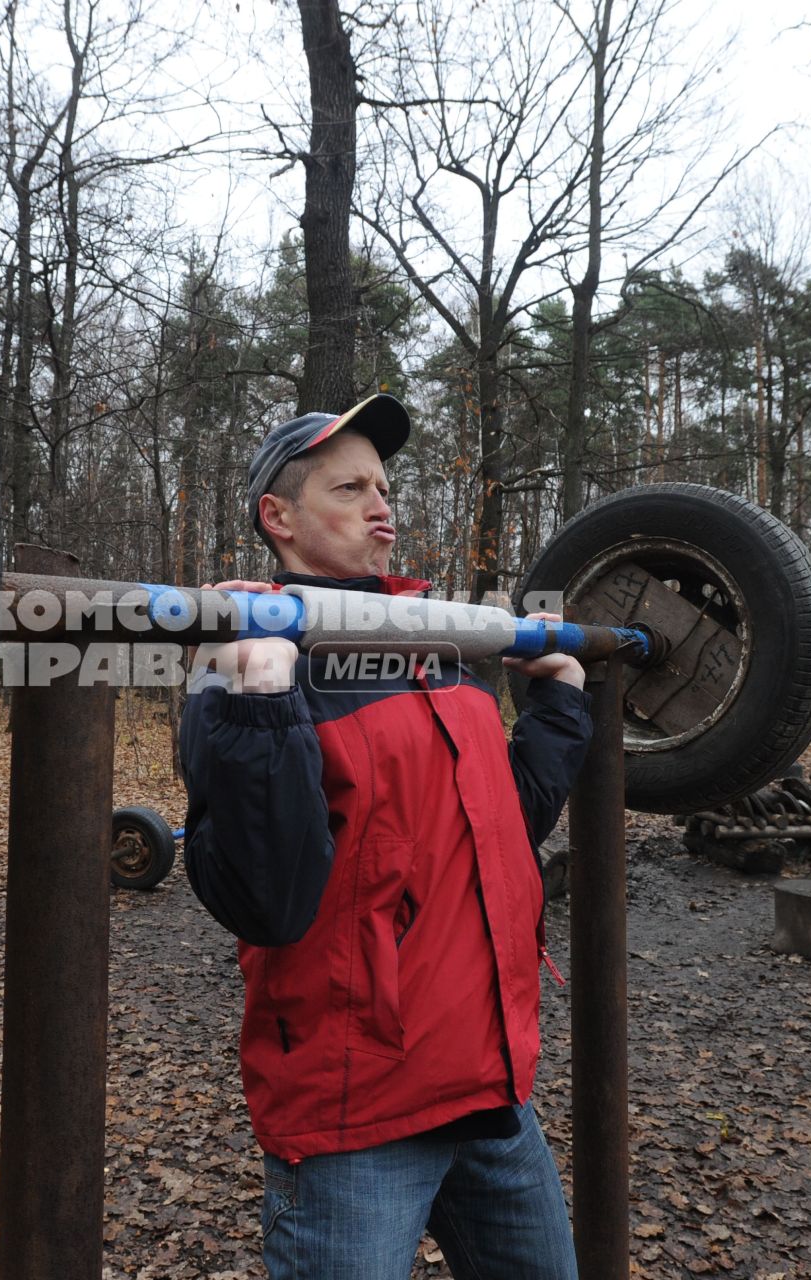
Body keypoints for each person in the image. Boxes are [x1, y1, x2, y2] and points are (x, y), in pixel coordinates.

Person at [179, 393, 592, 1279]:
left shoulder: (439, 646)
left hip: (493, 1094)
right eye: (350, 487)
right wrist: (261, 709)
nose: (382, 506)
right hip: (354, 1112)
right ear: (277, 517)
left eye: (383, 484)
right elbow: (266, 902)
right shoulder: (243, 657)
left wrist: (558, 703)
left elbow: (501, 828)